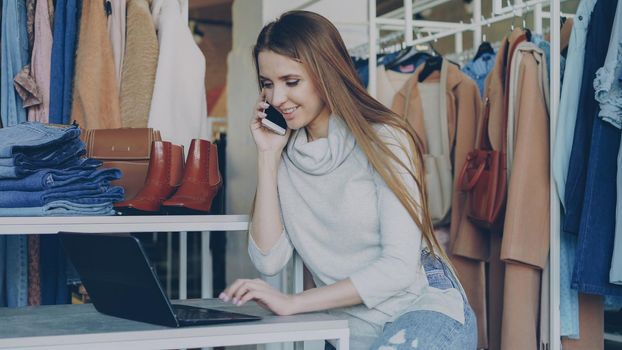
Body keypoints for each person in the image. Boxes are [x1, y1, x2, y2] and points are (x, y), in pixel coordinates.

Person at [218, 10, 477, 350]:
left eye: (291, 81)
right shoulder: (285, 153)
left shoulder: (385, 139)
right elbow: (269, 260)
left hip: (422, 310)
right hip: (349, 326)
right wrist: (267, 157)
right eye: (268, 84)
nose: (277, 98)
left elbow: (399, 269)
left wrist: (294, 302)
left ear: (326, 74)